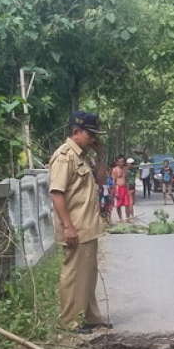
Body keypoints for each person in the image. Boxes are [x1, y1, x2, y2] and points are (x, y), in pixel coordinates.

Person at [48, 111, 111, 332]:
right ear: (76, 132)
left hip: (88, 226)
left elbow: (101, 180)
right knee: (73, 274)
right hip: (74, 227)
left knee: (88, 273)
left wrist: (101, 154)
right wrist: (68, 226)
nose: (93, 139)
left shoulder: (83, 157)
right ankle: (69, 322)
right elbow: (57, 193)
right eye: (90, 134)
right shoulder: (64, 156)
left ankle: (92, 317)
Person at [111, 156, 130, 222]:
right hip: (118, 188)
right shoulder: (115, 170)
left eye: (123, 161)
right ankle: (120, 218)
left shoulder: (125, 169)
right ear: (117, 162)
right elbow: (113, 181)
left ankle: (128, 218)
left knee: (127, 204)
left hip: (124, 188)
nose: (122, 163)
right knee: (118, 205)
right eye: (120, 161)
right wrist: (114, 192)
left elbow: (127, 180)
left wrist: (128, 189)